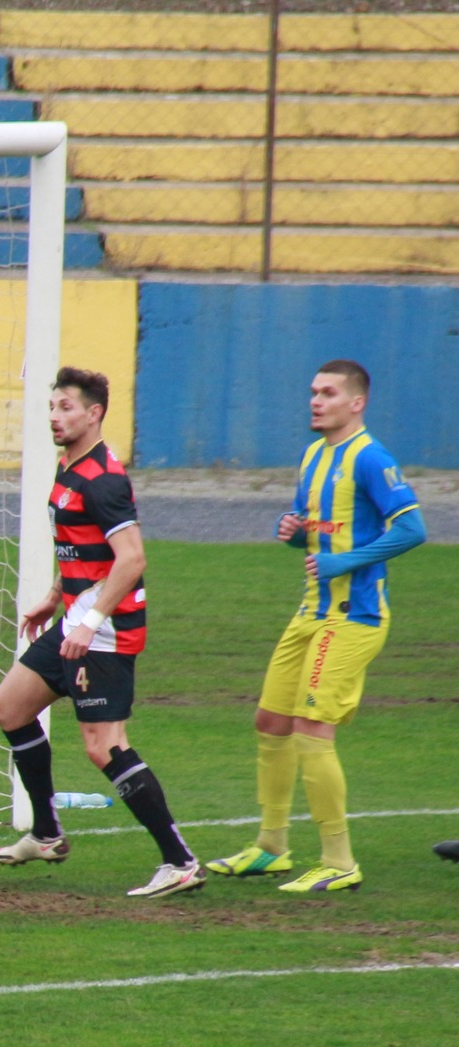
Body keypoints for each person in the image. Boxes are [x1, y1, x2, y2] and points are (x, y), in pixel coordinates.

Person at [208, 360, 426, 894]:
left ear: (357, 403)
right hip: (310, 612)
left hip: (355, 618)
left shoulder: (372, 458)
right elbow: (313, 531)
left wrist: (344, 563)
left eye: (328, 393)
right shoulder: (313, 455)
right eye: (312, 392)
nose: (315, 401)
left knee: (311, 728)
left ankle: (340, 860)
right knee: (271, 721)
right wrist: (290, 533)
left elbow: (414, 528)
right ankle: (271, 847)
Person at [0, 367, 200, 899]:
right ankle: (46, 833)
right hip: (75, 617)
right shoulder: (69, 465)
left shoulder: (104, 478)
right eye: (52, 407)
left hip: (103, 630)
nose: (55, 417)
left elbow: (131, 559)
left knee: (105, 746)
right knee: (11, 707)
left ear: (94, 413)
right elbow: (82, 544)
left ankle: (179, 861)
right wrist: (57, 595)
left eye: (65, 408)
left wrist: (90, 620)